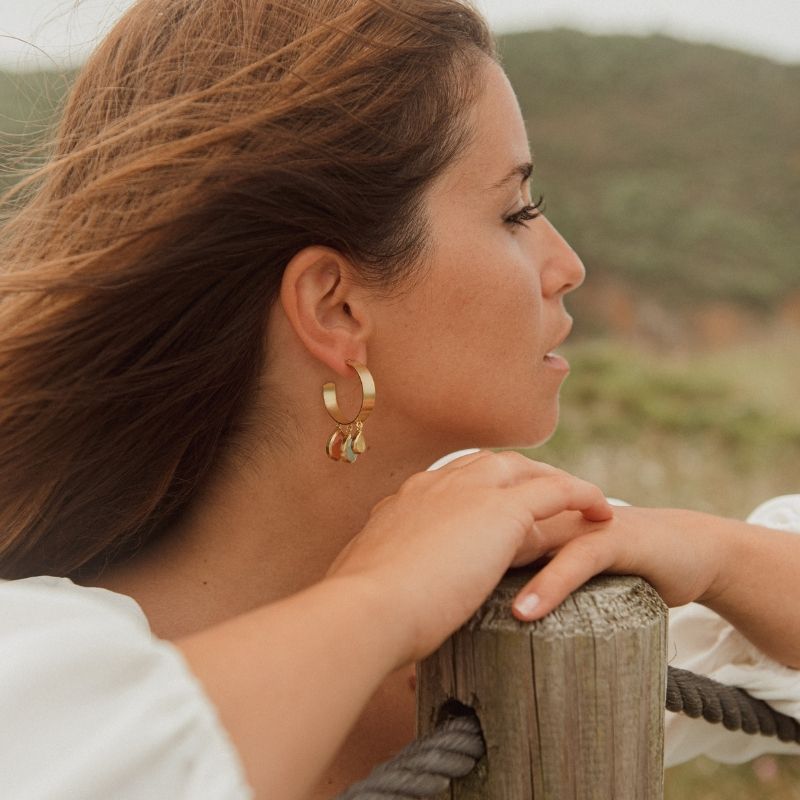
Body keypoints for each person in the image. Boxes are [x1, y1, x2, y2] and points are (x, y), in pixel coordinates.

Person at [0, 1, 797, 799]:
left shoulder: (512, 581)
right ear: (335, 308)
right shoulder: (40, 666)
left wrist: (705, 549)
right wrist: (383, 602)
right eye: (515, 211)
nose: (568, 265)